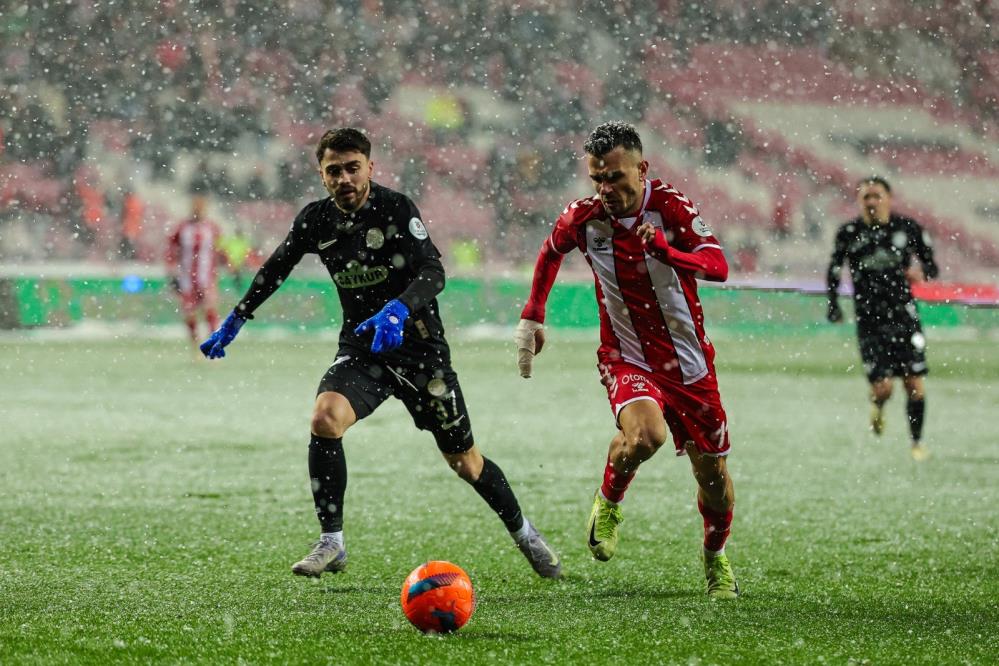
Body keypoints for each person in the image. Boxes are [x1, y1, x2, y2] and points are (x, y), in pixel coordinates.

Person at [200, 128, 561, 579]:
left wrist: (397, 310)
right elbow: (277, 266)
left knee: (466, 462)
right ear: (322, 174)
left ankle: (524, 533)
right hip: (362, 349)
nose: (345, 178)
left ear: (370, 167)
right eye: (334, 171)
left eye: (353, 168)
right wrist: (238, 316)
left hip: (421, 351)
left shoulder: (396, 209)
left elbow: (433, 272)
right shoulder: (316, 220)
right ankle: (332, 540)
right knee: (324, 418)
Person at [514, 121, 738, 599]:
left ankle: (715, 556)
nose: (606, 189)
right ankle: (609, 499)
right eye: (597, 178)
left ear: (642, 169)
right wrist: (533, 313)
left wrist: (669, 251)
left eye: (615, 177)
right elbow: (550, 251)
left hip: (689, 363)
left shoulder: (672, 207)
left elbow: (718, 266)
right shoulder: (584, 216)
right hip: (625, 355)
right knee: (646, 435)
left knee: (713, 479)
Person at [826, 176, 939, 461]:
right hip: (870, 320)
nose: (872, 202)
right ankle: (877, 405)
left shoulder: (907, 228)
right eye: (866, 197)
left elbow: (931, 264)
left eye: (877, 196)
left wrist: (922, 272)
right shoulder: (849, 231)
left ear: (889, 199)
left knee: (914, 383)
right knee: (884, 387)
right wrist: (833, 304)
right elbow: (834, 269)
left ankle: (917, 443)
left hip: (904, 315)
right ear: (859, 201)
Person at [166, 193, 226, 349]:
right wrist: (171, 273)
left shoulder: (212, 228)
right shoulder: (182, 228)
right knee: (189, 313)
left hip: (206, 278)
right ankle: (195, 345)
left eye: (201, 208)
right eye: (195, 207)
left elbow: (221, 250)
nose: (198, 211)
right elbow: (171, 251)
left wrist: (231, 267)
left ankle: (213, 344)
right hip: (187, 278)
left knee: (209, 310)